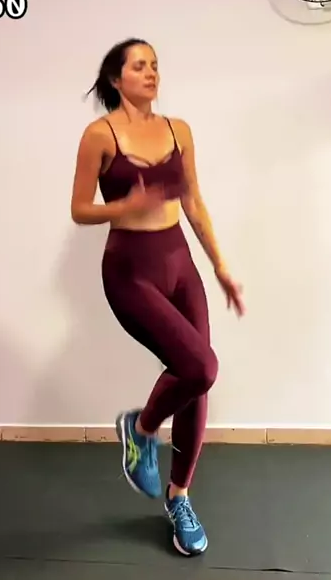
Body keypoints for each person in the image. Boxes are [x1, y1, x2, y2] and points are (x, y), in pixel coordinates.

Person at [70, 38, 245, 557]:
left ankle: (179, 496)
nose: (151, 73)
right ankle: (142, 428)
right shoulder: (99, 136)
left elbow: (193, 200)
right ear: (116, 78)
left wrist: (220, 266)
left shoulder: (178, 130)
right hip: (131, 271)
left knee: (197, 382)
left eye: (155, 65)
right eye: (139, 66)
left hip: (180, 265)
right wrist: (126, 204)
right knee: (200, 366)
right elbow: (80, 209)